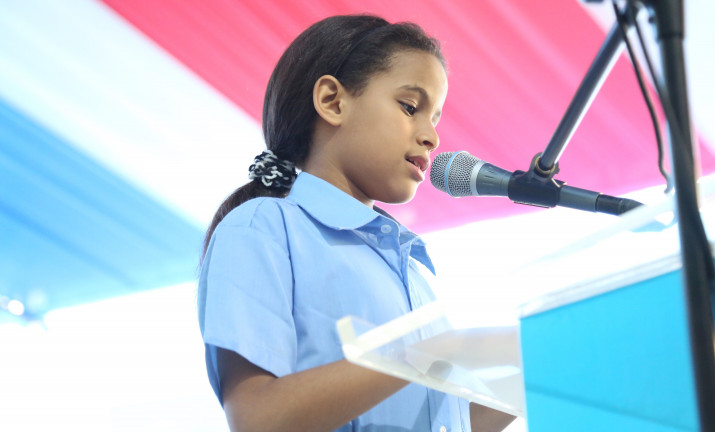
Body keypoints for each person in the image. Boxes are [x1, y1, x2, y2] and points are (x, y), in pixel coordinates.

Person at [197, 14, 515, 432]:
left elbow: (439, 419)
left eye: (435, 119)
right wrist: (431, 351)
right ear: (333, 101)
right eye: (410, 107)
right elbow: (258, 418)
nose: (432, 138)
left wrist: (532, 374)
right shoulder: (262, 226)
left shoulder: (412, 270)